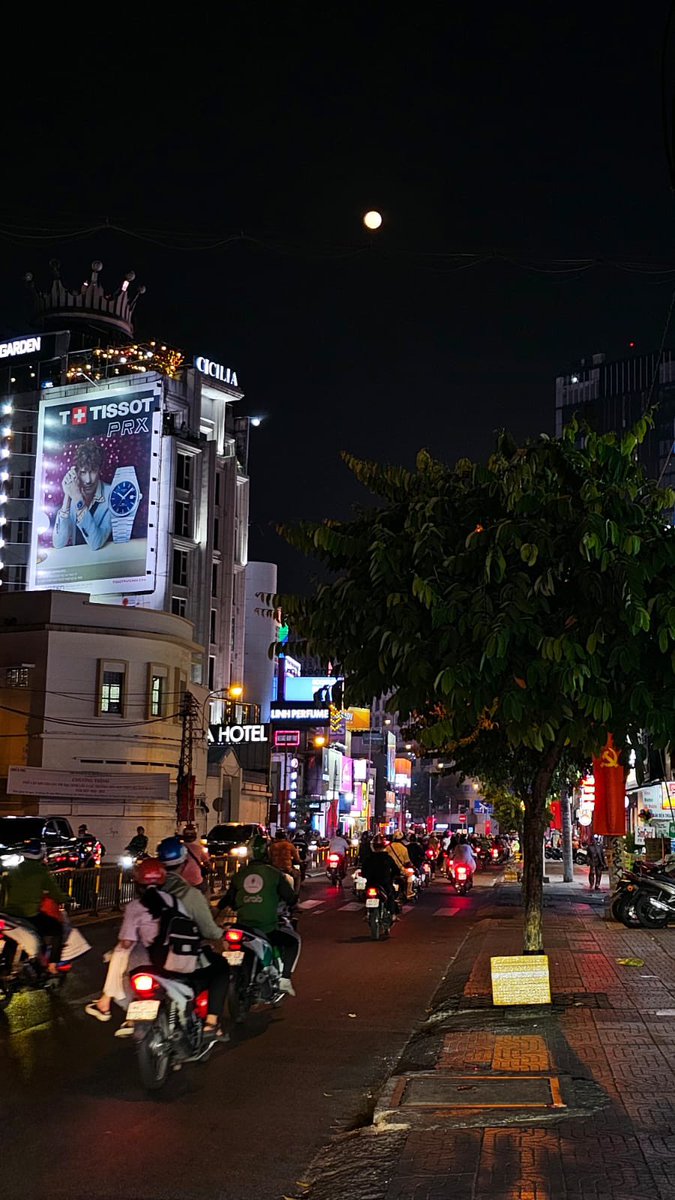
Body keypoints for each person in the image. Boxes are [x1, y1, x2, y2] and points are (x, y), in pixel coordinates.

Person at [84, 858, 172, 1036]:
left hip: (147, 956)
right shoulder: (174, 901)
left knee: (120, 955)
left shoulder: (135, 906)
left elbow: (126, 942)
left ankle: (107, 1003)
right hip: (175, 955)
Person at [155, 836, 230, 1040]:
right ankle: (212, 1023)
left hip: (153, 957)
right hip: (185, 957)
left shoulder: (148, 893)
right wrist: (221, 933)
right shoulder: (191, 895)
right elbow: (209, 931)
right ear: (185, 863)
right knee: (221, 969)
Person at [219, 835, 301, 995]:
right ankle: (285, 979)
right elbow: (290, 898)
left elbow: (229, 900)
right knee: (293, 941)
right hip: (266, 927)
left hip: (242, 927)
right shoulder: (275, 875)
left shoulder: (240, 875)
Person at [3, 839, 68, 973]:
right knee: (57, 930)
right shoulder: (41, 872)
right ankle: (52, 965)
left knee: (12, 938)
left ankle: (7, 968)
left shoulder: (13, 871)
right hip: (29, 915)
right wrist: (66, 899)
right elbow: (55, 893)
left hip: (8, 914)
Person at [53, 440, 112, 551]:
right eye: (83, 472)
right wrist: (67, 496)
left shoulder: (111, 495)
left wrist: (77, 498)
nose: (88, 480)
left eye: (93, 471)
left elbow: (96, 543)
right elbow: (59, 543)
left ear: (99, 470)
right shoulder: (73, 491)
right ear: (76, 472)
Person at [363, 834, 402, 919]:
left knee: (365, 894)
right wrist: (395, 876)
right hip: (385, 883)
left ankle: (368, 913)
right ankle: (392, 914)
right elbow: (396, 870)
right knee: (391, 895)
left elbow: (363, 871)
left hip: (371, 882)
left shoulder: (368, 858)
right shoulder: (387, 858)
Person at [181, 825, 211, 892]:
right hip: (196, 881)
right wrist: (210, 869)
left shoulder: (179, 848)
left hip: (181, 880)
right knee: (206, 890)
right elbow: (207, 862)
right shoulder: (199, 849)